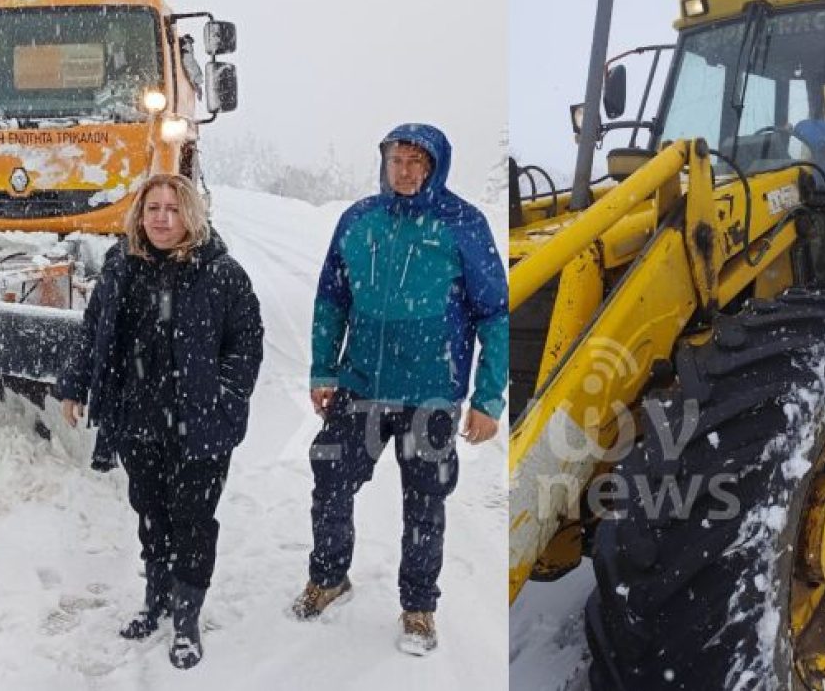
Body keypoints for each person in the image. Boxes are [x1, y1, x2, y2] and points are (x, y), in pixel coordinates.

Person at [291, 123, 507, 656]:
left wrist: (488, 398)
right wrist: (324, 370)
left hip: (431, 394)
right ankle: (329, 576)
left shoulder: (462, 224)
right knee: (331, 483)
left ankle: (418, 607)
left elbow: (494, 314)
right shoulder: (360, 219)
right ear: (384, 164)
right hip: (359, 386)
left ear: (436, 168)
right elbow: (331, 299)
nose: (405, 171)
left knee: (425, 504)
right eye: (397, 161)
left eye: (417, 162)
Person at [57, 173, 264, 668]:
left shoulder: (221, 273)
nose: (162, 218)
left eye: (172, 208)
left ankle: (187, 615)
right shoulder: (121, 266)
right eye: (153, 208)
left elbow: (247, 344)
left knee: (193, 521)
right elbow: (95, 331)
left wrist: (225, 398)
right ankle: (157, 598)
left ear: (190, 215)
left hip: (201, 423)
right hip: (139, 418)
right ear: (140, 214)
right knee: (152, 512)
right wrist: (74, 382)